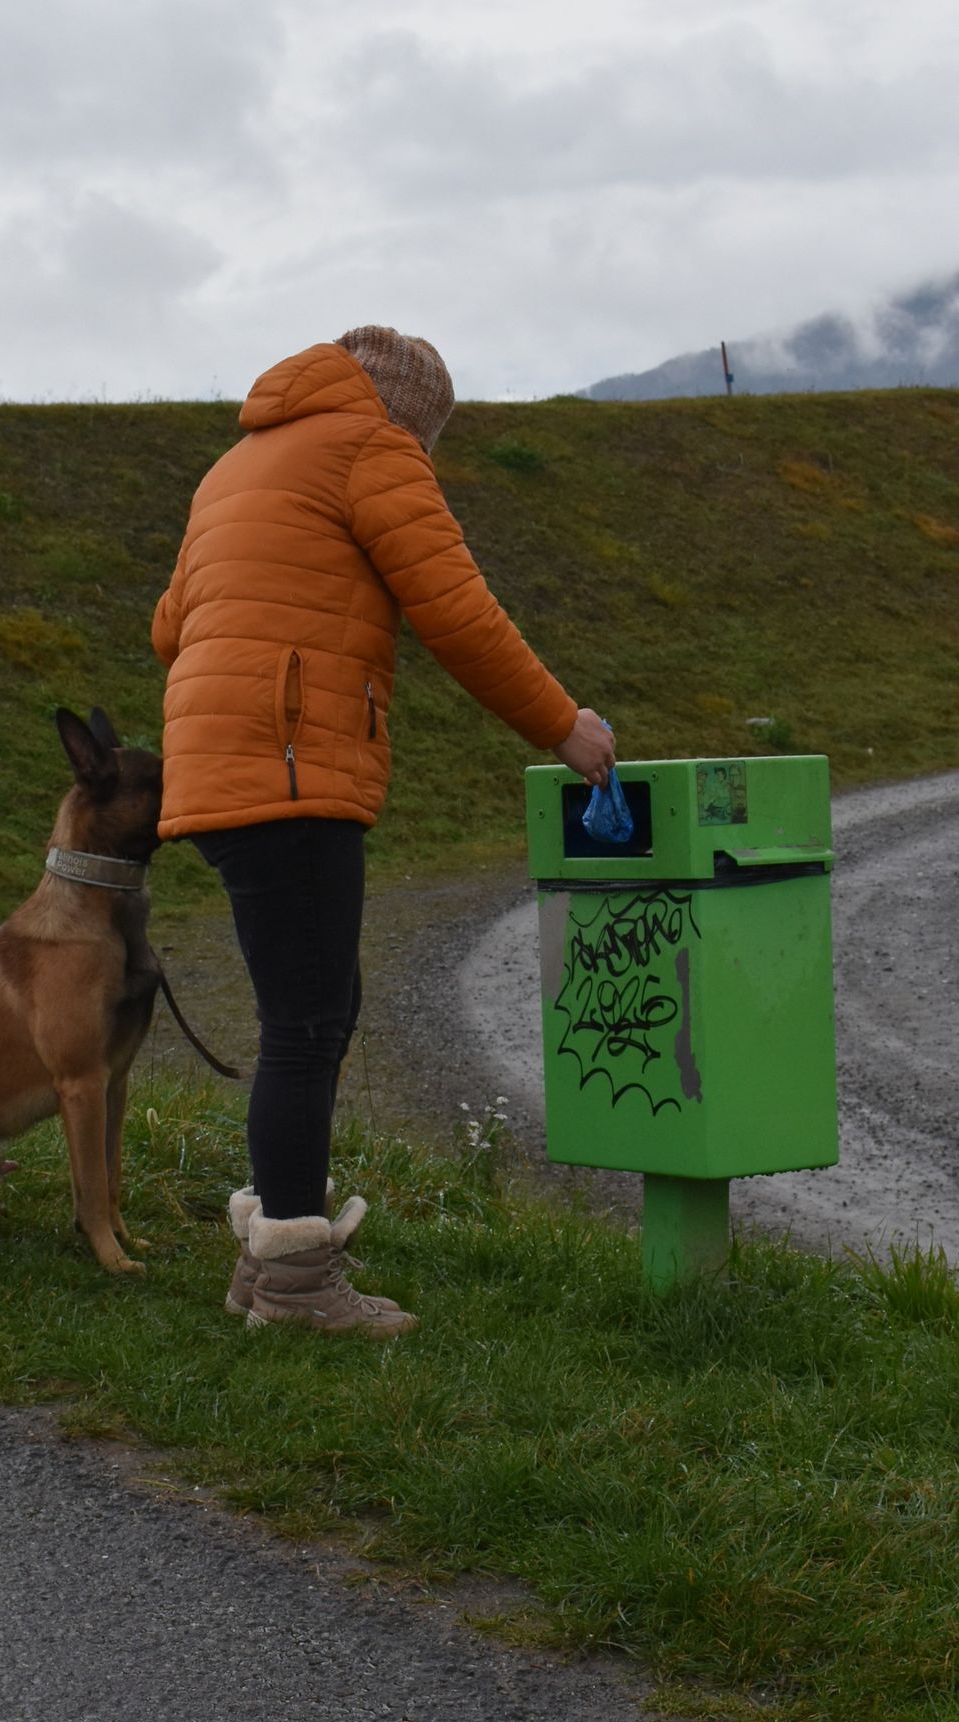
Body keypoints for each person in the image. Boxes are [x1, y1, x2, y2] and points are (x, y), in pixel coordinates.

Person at [151, 325, 615, 1338]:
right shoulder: (370, 448)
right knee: (307, 1027)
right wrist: (562, 726)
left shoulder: (239, 462)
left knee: (309, 1015)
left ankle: (267, 1257)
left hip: (218, 762)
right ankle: (297, 1283)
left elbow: (167, 626)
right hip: (291, 763)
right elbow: (458, 613)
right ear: (411, 413)